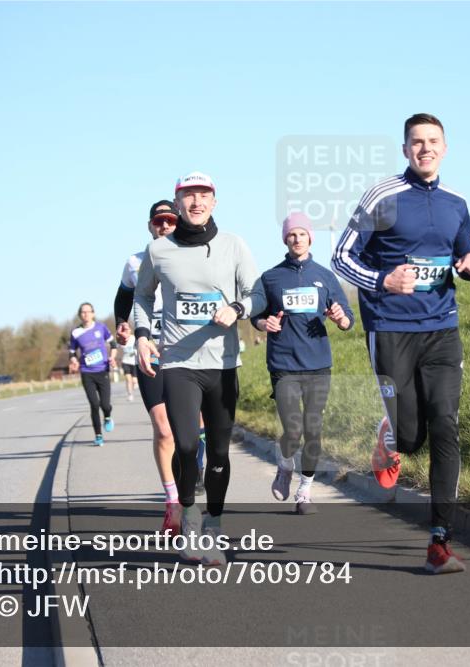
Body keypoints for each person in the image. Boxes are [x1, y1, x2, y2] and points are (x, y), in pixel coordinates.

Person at [332, 113, 470, 574]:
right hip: (392, 329)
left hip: (442, 328)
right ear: (405, 150)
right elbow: (341, 256)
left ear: (445, 147)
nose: (425, 149)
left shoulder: (457, 202)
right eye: (416, 142)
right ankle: (391, 434)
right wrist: (383, 280)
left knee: (445, 426)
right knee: (412, 436)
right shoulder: (383, 196)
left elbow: (463, 246)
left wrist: (469, 262)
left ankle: (440, 540)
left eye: (433, 142)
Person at [134, 172, 263, 566]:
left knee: (220, 454)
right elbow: (142, 294)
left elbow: (257, 294)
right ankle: (190, 519)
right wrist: (141, 334)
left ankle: (215, 525)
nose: (196, 202)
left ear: (214, 201)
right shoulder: (159, 251)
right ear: (178, 202)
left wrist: (238, 309)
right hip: (178, 363)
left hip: (222, 364)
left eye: (203, 195)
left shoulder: (234, 245)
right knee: (187, 445)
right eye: (189, 195)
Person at [114, 201, 207, 534]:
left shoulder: (191, 258)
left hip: (188, 353)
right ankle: (172, 503)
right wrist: (123, 325)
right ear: (150, 225)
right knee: (164, 428)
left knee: (196, 426)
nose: (165, 226)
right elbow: (123, 299)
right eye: (159, 221)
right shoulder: (135, 263)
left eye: (171, 220)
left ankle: (195, 464)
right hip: (150, 351)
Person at [252, 213, 353, 515]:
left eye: (302, 234)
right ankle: (285, 465)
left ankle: (305, 489)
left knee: (314, 429)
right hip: (283, 363)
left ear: (311, 238)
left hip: (318, 364)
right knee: (293, 429)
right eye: (291, 235)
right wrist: (262, 323)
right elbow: (254, 314)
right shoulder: (270, 278)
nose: (297, 239)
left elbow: (347, 317)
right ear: (285, 239)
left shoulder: (325, 275)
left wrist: (340, 318)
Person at [68, 302, 118, 447]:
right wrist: (74, 360)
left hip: (102, 370)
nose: (86, 314)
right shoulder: (76, 333)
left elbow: (113, 344)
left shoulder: (101, 328)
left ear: (93, 313)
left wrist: (112, 357)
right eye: (83, 312)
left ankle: (107, 417)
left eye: (88, 312)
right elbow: (71, 352)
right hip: (86, 372)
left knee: (105, 405)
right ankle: (98, 435)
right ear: (79, 315)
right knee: (94, 405)